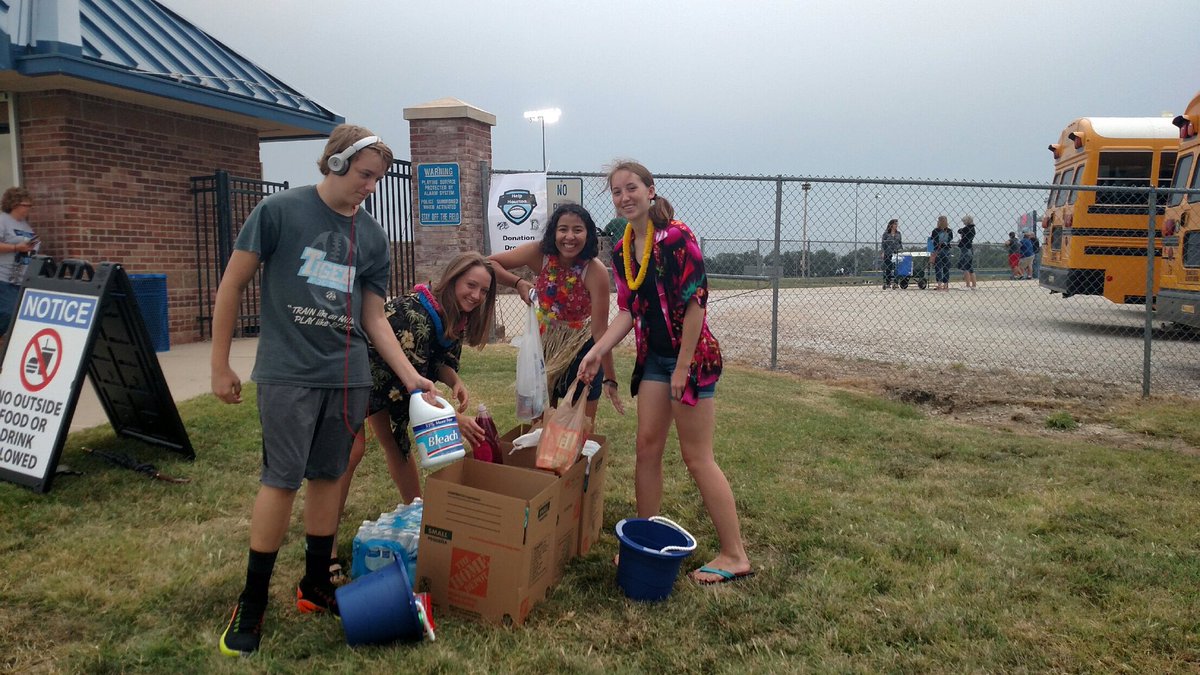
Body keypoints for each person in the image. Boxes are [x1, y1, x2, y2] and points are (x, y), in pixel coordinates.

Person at [209, 124, 436, 657]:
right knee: (281, 480)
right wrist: (219, 364)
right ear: (335, 162)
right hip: (288, 373)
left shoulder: (373, 238)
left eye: (377, 179)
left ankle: (315, 583)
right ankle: (252, 600)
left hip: (348, 375)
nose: (369, 187)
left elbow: (374, 318)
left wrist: (411, 377)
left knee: (330, 476)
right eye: (364, 175)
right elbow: (232, 284)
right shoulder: (279, 212)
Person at [579, 160, 752, 586]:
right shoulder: (622, 249)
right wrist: (597, 350)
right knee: (647, 448)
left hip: (689, 359)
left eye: (631, 188)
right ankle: (646, 541)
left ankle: (734, 554)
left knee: (697, 457)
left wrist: (684, 365)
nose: (624, 197)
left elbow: (696, 302)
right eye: (617, 191)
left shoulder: (676, 236)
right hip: (653, 359)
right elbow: (628, 310)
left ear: (650, 190)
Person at [335, 252, 496, 534]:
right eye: (471, 285)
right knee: (350, 452)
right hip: (353, 377)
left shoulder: (453, 315)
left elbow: (436, 361)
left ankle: (418, 514)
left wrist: (454, 380)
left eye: (483, 290)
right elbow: (413, 383)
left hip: (386, 382)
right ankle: (326, 539)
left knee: (396, 446)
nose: (476, 295)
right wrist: (454, 420)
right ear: (452, 279)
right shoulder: (415, 316)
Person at [489, 203, 624, 423]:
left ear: (588, 234)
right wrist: (518, 283)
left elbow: (600, 331)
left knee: (579, 426)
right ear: (553, 232)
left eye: (577, 230)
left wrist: (610, 378)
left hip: (581, 349)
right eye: (563, 229)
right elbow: (489, 263)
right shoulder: (539, 254)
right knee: (540, 423)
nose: (569, 237)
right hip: (543, 347)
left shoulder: (595, 270)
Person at [0, 187, 40, 334]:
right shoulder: (3, 220)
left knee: (19, 315)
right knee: (9, 312)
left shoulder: (25, 225)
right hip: (3, 278)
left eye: (30, 205)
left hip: (20, 279)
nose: (29, 208)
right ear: (14, 204)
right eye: (26, 205)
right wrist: (16, 247)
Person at [930, 215, 954, 291]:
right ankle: (946, 285)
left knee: (938, 268)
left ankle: (939, 285)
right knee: (946, 268)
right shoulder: (949, 231)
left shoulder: (935, 231)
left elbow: (933, 240)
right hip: (946, 250)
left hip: (938, 250)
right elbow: (950, 239)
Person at [880, 219, 902, 290]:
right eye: (895, 224)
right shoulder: (886, 234)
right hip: (888, 253)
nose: (896, 225)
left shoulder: (898, 233)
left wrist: (900, 250)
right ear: (891, 225)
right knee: (888, 267)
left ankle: (896, 282)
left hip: (896, 252)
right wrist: (883, 252)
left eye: (896, 224)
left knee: (897, 267)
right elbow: (883, 244)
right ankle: (888, 283)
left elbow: (900, 243)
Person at [956, 215, 977, 290]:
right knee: (970, 268)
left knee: (965, 267)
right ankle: (974, 285)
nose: (963, 223)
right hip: (970, 247)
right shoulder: (973, 229)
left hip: (965, 248)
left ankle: (967, 285)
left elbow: (959, 231)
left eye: (964, 221)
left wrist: (962, 231)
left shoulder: (967, 228)